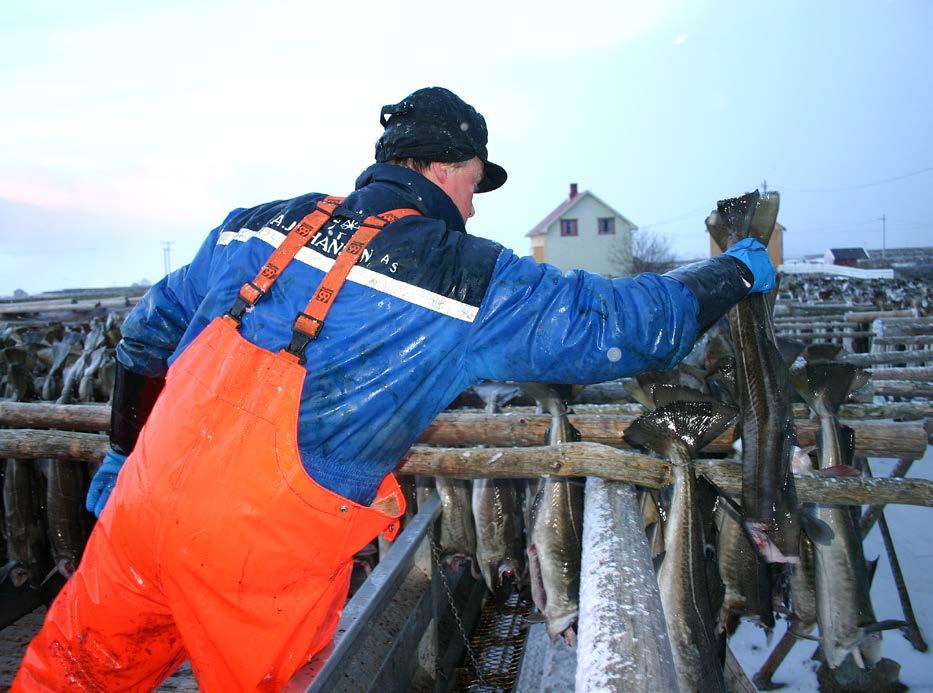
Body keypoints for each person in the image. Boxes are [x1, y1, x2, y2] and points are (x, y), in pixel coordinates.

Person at [14, 87, 774, 691]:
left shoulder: (253, 228)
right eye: (475, 184)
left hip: (137, 518)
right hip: (258, 562)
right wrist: (733, 271)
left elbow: (144, 335)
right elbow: (629, 325)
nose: (474, 206)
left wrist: (122, 451)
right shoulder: (463, 275)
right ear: (444, 168)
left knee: (70, 675)